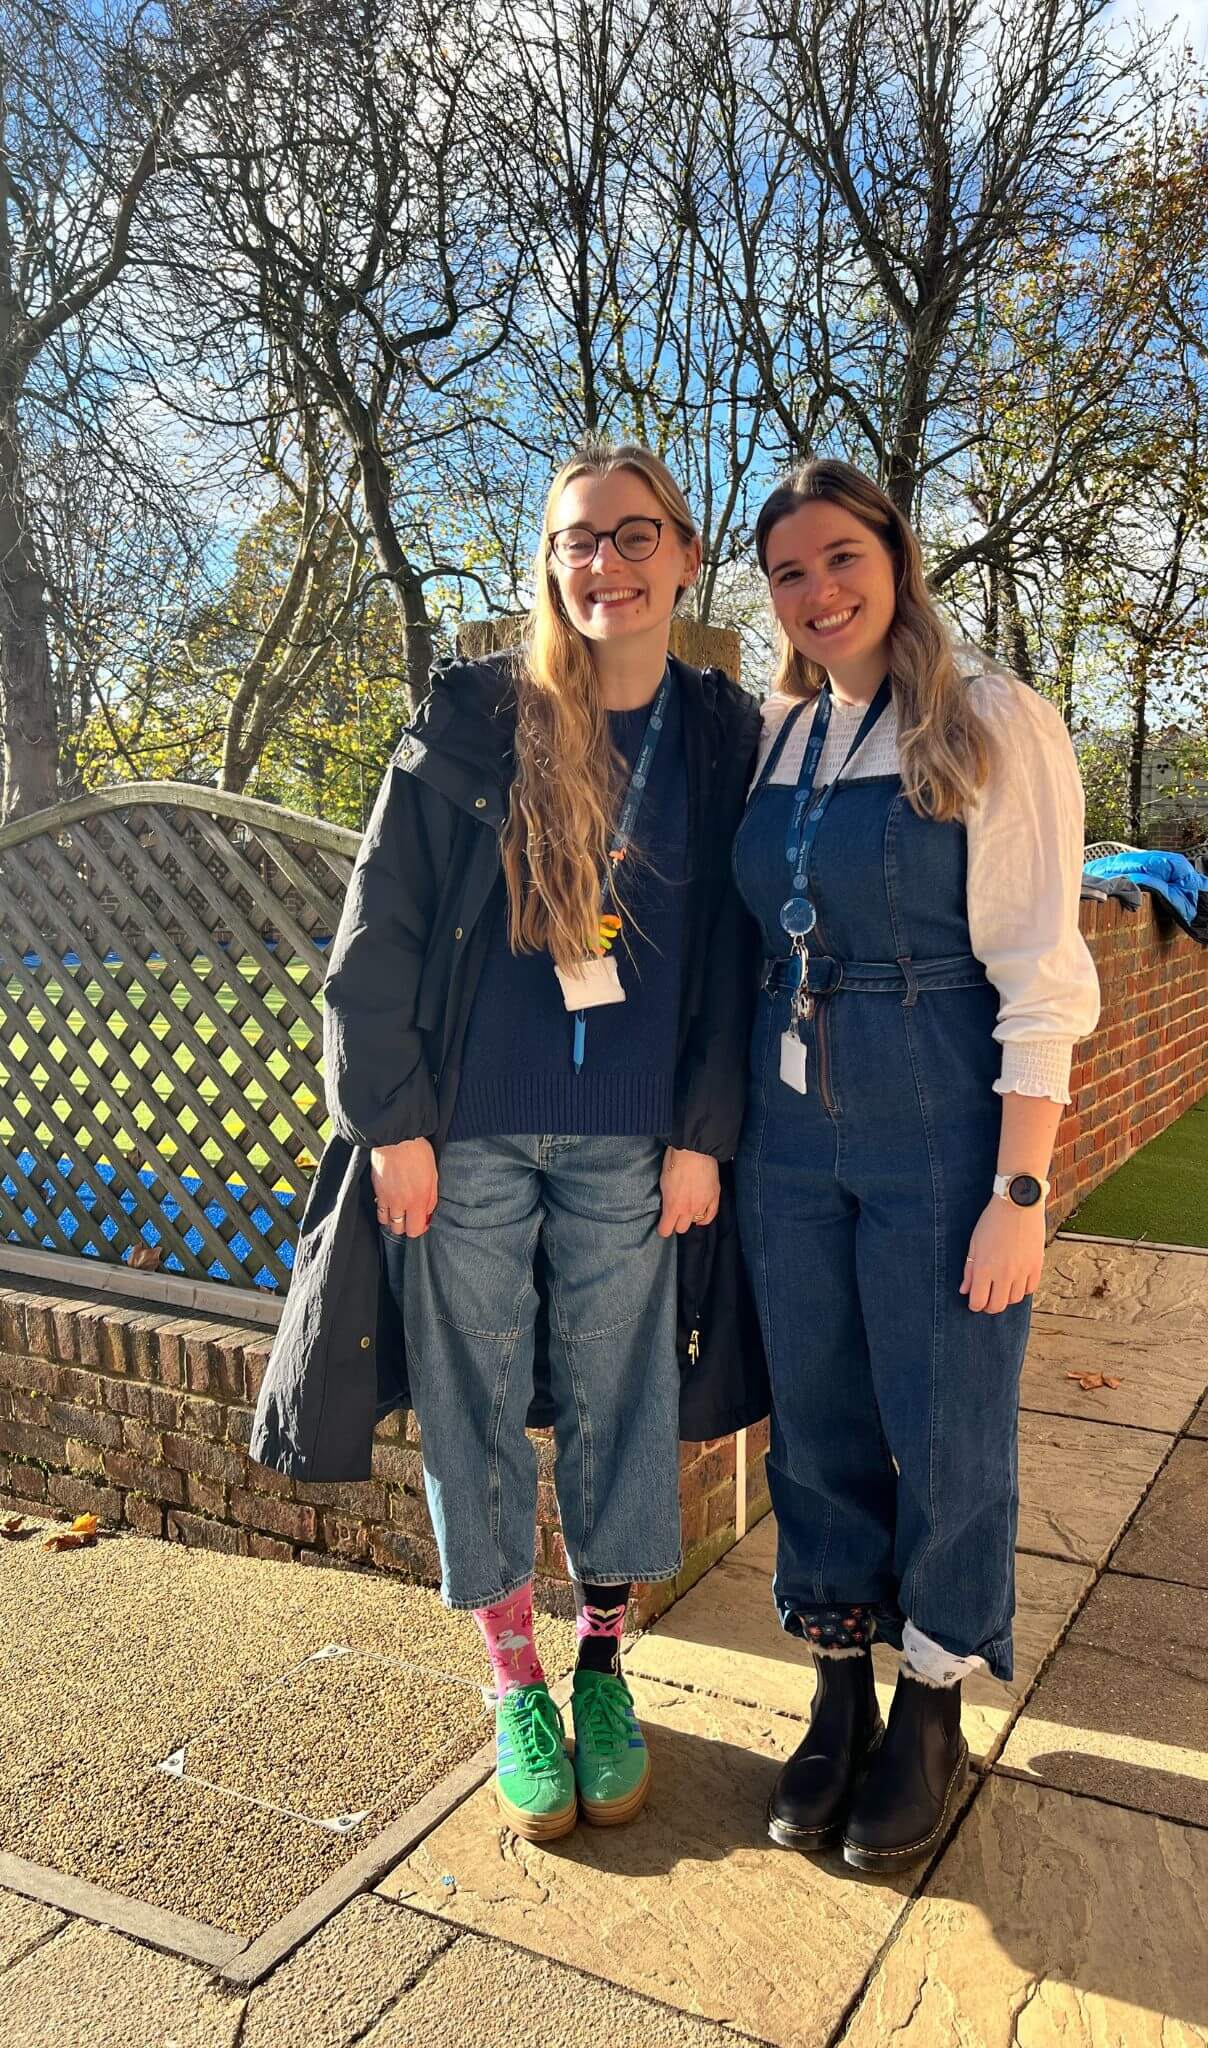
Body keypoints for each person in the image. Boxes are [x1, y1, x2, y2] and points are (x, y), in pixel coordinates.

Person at [251, 441, 764, 1844]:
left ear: (682, 550)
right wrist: (391, 1126)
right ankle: (511, 1683)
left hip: (633, 1147)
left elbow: (734, 953)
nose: (604, 562)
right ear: (549, 559)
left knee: (619, 1407)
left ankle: (602, 1667)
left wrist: (703, 1134)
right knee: (472, 1412)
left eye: (633, 535)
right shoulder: (476, 713)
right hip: (463, 1143)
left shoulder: (719, 729)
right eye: (577, 539)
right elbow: (377, 934)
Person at [732, 459, 1100, 1871]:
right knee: (815, 1415)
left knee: (946, 1421)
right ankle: (835, 1682)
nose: (819, 591)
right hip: (788, 1128)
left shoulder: (990, 719)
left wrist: (1019, 1192)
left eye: (841, 559)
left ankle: (931, 1700)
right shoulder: (778, 735)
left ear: (893, 557)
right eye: (788, 572)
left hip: (942, 1111)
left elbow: (1039, 973)